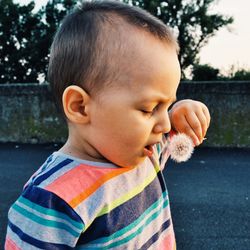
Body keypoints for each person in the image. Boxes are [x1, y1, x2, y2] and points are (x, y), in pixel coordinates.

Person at [5, 1, 210, 249]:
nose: (165, 124)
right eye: (149, 109)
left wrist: (182, 112)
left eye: (167, 106)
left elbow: (173, 136)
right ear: (80, 106)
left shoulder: (143, 155)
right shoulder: (52, 199)